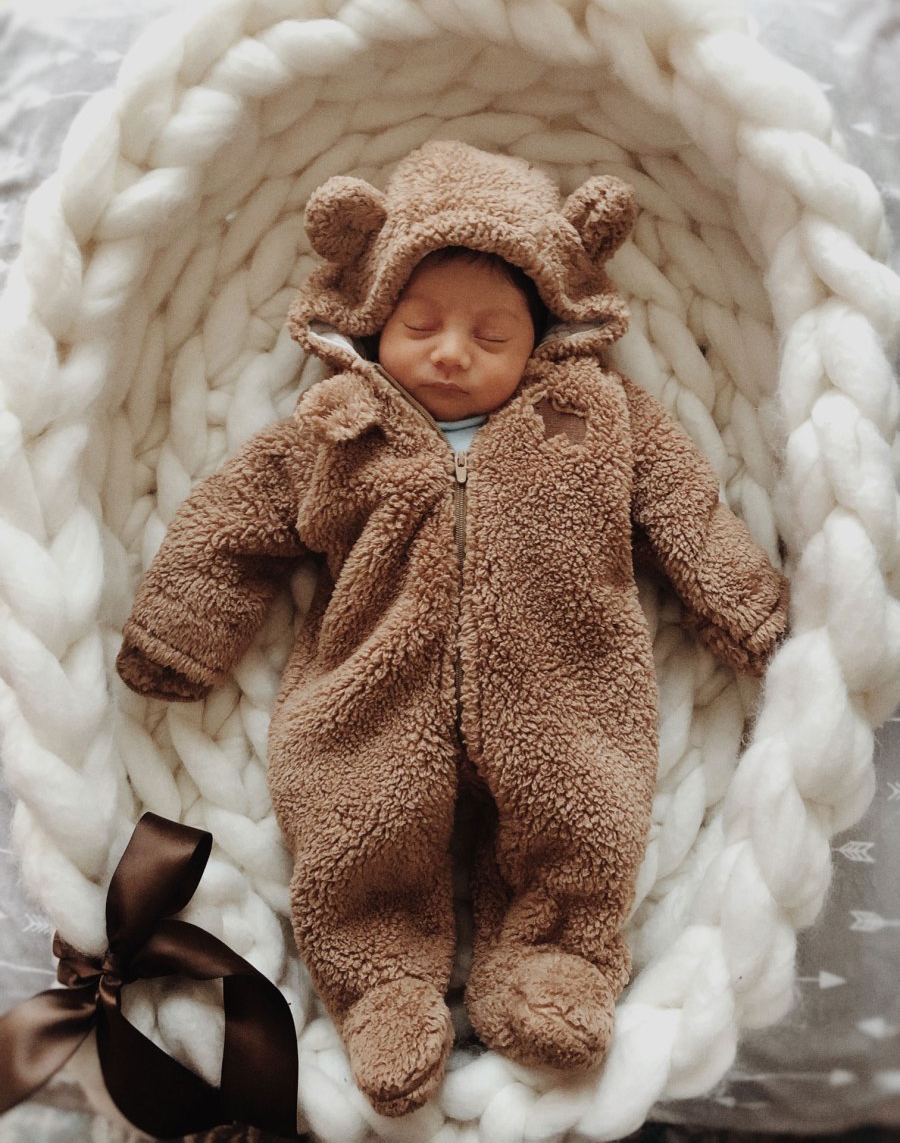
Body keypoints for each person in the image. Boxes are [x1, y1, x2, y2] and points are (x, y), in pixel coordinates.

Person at [117, 140, 789, 1118]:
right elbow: (234, 520)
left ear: (544, 330)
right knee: (355, 820)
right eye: (422, 325)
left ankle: (555, 958)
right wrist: (182, 628)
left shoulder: (597, 418)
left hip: (567, 683)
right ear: (376, 319)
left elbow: (688, 514)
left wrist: (751, 610)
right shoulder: (339, 426)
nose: (449, 351)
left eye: (490, 333)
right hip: (371, 685)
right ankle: (381, 984)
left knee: (584, 815)